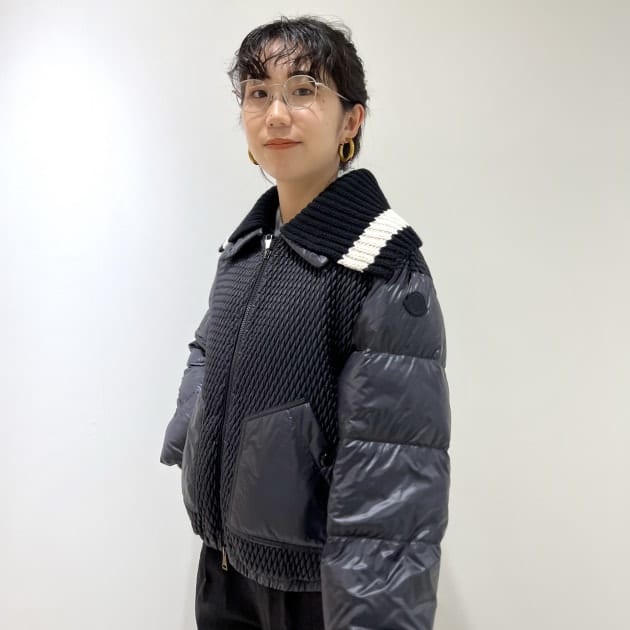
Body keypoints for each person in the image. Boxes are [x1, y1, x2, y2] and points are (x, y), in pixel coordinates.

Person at [160, 15, 451, 630]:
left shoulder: (381, 265)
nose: (275, 114)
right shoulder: (248, 249)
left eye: (302, 90)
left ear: (351, 121)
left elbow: (392, 483)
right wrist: (194, 429)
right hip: (224, 569)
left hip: (315, 592)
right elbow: (207, 350)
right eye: (257, 92)